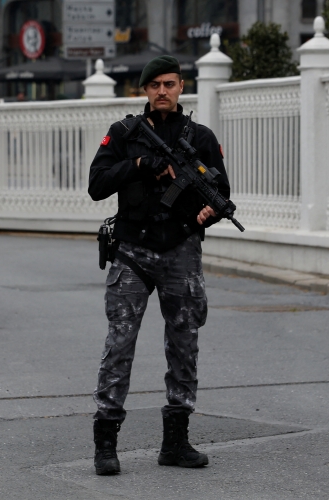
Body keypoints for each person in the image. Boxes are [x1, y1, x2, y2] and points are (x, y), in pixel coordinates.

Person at [87, 55, 229, 476]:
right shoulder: (125, 133)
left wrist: (211, 213)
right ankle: (106, 441)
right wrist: (139, 165)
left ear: (181, 87)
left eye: (170, 84)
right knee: (120, 344)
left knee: (184, 344)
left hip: (181, 250)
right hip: (132, 250)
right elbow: (96, 184)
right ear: (145, 90)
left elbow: (220, 188)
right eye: (155, 85)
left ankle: (176, 441)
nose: (162, 91)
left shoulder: (199, 136)